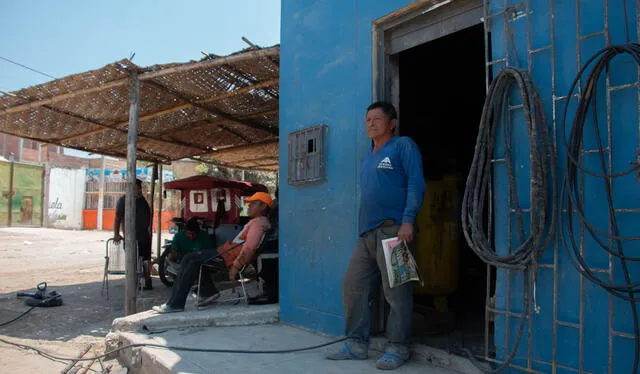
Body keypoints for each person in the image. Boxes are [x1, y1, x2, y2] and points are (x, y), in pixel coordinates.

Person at [326, 102, 426, 370]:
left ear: (391, 123)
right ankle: (357, 344)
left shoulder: (403, 146)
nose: (371, 123)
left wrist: (408, 220)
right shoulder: (368, 156)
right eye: (367, 119)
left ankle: (398, 346)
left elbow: (416, 183)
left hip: (395, 230)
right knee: (353, 286)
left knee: (398, 291)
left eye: (377, 119)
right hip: (367, 235)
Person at [152, 192, 272, 313]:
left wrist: (235, 267)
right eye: (249, 204)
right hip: (225, 253)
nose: (248, 207)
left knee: (190, 259)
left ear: (263, 206)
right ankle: (208, 292)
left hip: (227, 257)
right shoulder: (259, 222)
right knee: (194, 258)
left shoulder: (258, 223)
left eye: (253, 204)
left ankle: (175, 304)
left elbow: (249, 248)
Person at [114, 178, 153, 290]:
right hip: (130, 238)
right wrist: (116, 234)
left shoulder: (142, 200)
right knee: (133, 261)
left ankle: (147, 280)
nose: (139, 189)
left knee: (146, 259)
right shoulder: (123, 200)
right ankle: (134, 282)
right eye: (137, 187)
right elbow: (117, 218)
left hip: (144, 236)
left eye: (140, 187)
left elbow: (148, 216)